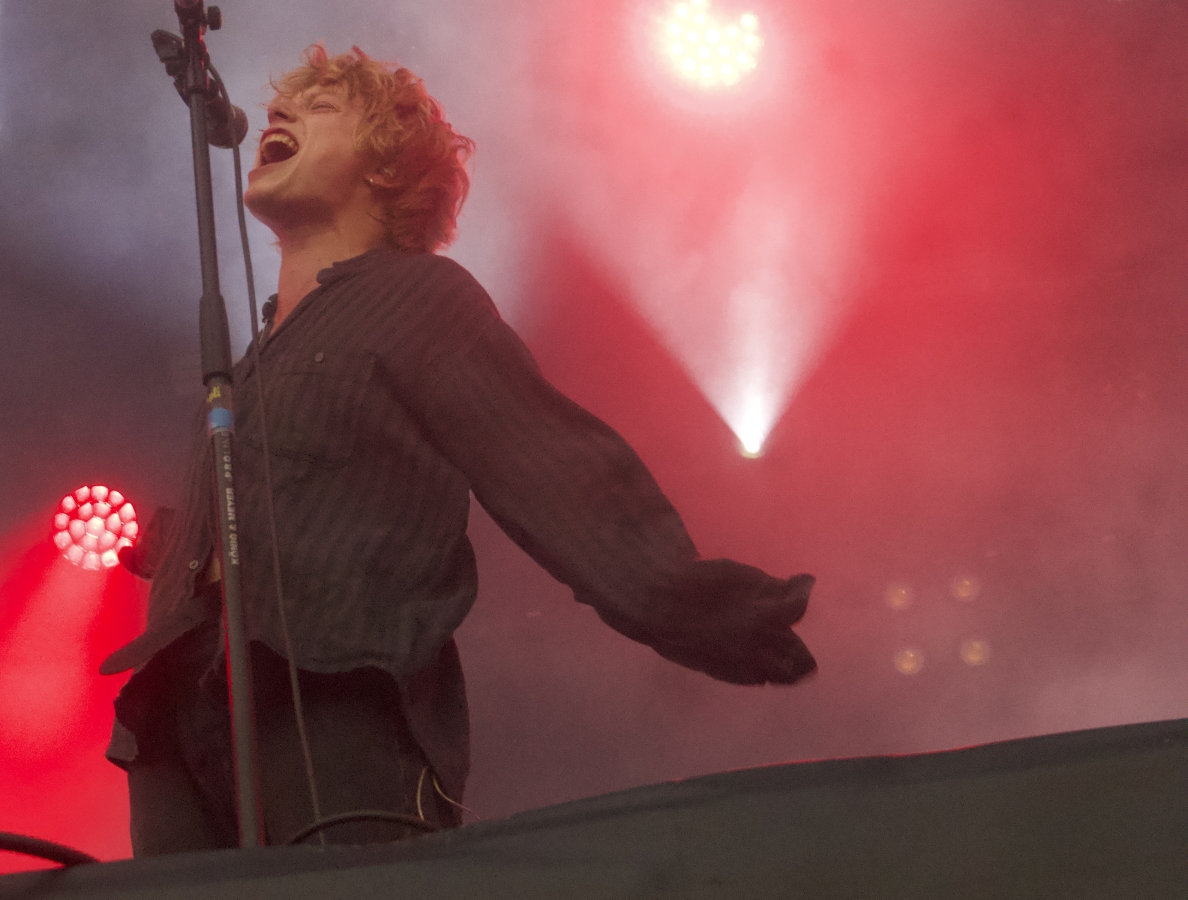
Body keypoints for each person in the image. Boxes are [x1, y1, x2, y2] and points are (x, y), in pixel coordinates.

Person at [100, 44, 817, 854]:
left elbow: (547, 465)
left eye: (321, 106)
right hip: (175, 717)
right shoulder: (252, 356)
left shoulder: (421, 300)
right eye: (281, 106)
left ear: (384, 168)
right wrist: (170, 544)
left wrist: (690, 602)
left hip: (335, 691)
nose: (281, 112)